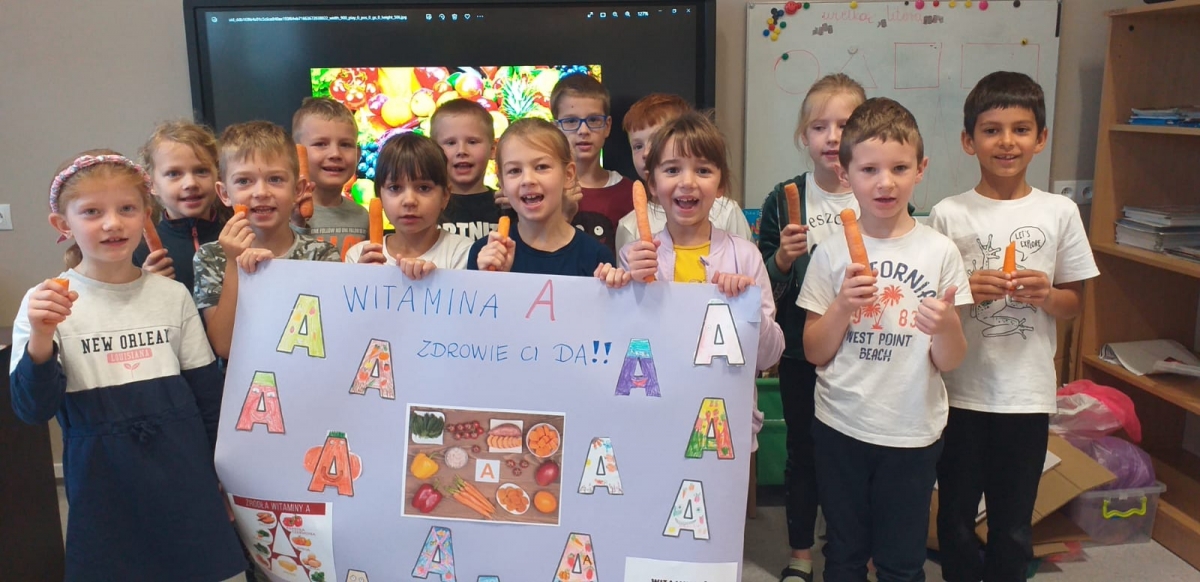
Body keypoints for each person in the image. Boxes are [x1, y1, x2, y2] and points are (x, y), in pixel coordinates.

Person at [9, 150, 247, 581]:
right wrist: (42, 337)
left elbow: (207, 397)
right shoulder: (45, 302)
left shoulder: (171, 296)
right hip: (103, 484)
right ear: (63, 224)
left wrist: (223, 475)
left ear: (146, 216)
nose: (112, 223)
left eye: (126, 209)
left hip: (185, 476)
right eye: (92, 212)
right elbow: (32, 408)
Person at [929, 71, 1099, 582]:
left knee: (1013, 522)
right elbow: (932, 306)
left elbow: (1074, 303)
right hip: (960, 393)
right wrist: (964, 290)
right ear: (968, 140)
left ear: (1041, 138)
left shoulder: (1059, 211)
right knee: (955, 516)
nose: (1007, 142)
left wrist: (1046, 295)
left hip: (1025, 395)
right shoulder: (948, 213)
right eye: (991, 130)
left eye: (1021, 129)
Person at [797, 98, 972, 582]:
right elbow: (814, 351)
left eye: (899, 168)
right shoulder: (830, 253)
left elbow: (951, 360)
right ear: (846, 174)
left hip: (912, 431)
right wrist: (842, 306)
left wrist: (946, 326)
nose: (885, 183)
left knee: (902, 560)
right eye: (869, 169)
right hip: (841, 425)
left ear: (921, 170)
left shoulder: (939, 251)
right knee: (844, 553)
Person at [597, 110, 784, 452]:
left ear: (720, 185)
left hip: (724, 430)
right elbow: (622, 350)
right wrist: (620, 286)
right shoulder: (634, 256)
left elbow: (769, 356)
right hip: (656, 424)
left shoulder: (745, 256)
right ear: (652, 185)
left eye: (703, 170)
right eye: (672, 170)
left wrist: (749, 308)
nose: (687, 182)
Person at [755, 72, 867, 582]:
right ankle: (800, 554)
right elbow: (762, 282)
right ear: (804, 135)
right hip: (803, 350)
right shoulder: (784, 198)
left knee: (857, 456)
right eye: (820, 126)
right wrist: (782, 257)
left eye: (845, 125)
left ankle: (854, 551)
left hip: (865, 350)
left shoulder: (877, 186)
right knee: (805, 451)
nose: (833, 137)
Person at [193, 121, 340, 359]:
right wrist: (234, 265)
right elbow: (224, 347)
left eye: (275, 179)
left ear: (298, 190)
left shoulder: (322, 256)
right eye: (244, 181)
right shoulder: (211, 257)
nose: (261, 192)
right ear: (224, 194)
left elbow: (333, 336)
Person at [468, 118, 613, 275]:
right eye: (514, 170)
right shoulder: (485, 255)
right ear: (502, 183)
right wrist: (489, 279)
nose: (528, 180)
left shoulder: (596, 257)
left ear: (568, 175)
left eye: (541, 167)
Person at [613, 93, 752, 251]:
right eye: (638, 146)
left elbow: (746, 258)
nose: (646, 153)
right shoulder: (629, 226)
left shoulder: (727, 212)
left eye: (657, 140)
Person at [345, 132, 471, 275]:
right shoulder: (358, 256)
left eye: (423, 188)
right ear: (380, 197)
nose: (409, 201)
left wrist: (436, 280)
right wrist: (360, 278)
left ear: (445, 196)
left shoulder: (462, 252)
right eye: (395, 188)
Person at [133, 120, 231, 293]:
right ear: (151, 184)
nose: (190, 183)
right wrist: (143, 289)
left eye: (201, 171)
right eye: (174, 174)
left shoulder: (240, 236)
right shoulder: (138, 250)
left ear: (218, 175)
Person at [551, 73, 633, 254]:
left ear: (607, 126)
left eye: (594, 120)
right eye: (571, 121)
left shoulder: (629, 192)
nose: (583, 130)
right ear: (556, 128)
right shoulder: (545, 190)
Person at [290, 97, 368, 258]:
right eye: (320, 144)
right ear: (296, 153)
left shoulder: (362, 217)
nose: (335, 154)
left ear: (358, 155)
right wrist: (297, 225)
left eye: (345, 145)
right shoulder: (284, 215)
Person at [430, 98, 507, 241]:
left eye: (472, 142)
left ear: (493, 149)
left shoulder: (505, 205)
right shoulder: (428, 206)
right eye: (450, 143)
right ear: (433, 150)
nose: (462, 151)